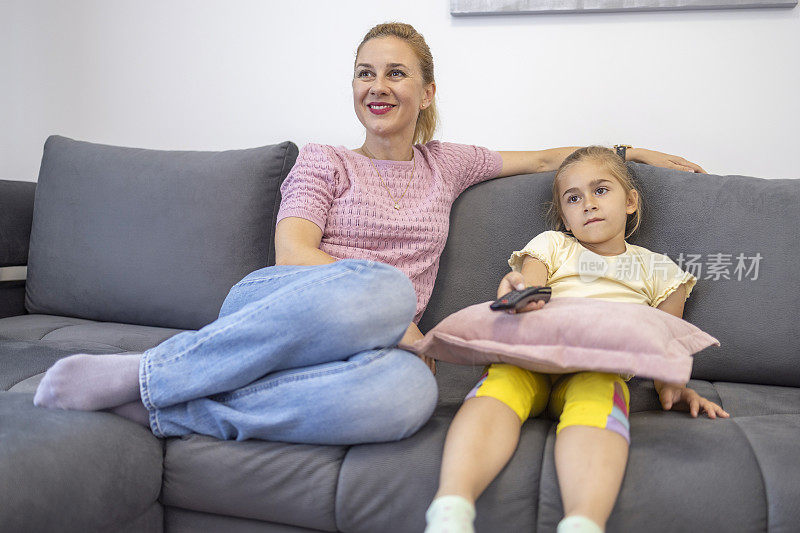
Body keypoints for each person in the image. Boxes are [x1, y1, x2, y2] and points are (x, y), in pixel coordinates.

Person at [32, 23, 707, 446]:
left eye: (395, 72)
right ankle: (152, 371)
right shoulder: (323, 159)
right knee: (385, 289)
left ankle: (163, 411)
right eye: (365, 71)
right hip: (283, 313)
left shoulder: (446, 164)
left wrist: (626, 150)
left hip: (365, 354)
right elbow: (294, 255)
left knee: (408, 397)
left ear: (426, 89)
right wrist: (396, 320)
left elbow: (542, 159)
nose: (376, 85)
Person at [423, 145, 730, 533]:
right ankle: (451, 508)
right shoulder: (552, 245)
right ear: (565, 219)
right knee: (499, 387)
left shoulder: (660, 270)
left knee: (598, 398)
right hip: (531, 359)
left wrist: (675, 385)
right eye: (574, 198)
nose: (588, 204)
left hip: (599, 371)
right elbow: (527, 288)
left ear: (631, 201)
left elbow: (666, 342)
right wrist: (515, 290)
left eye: (601, 190)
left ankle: (583, 522)